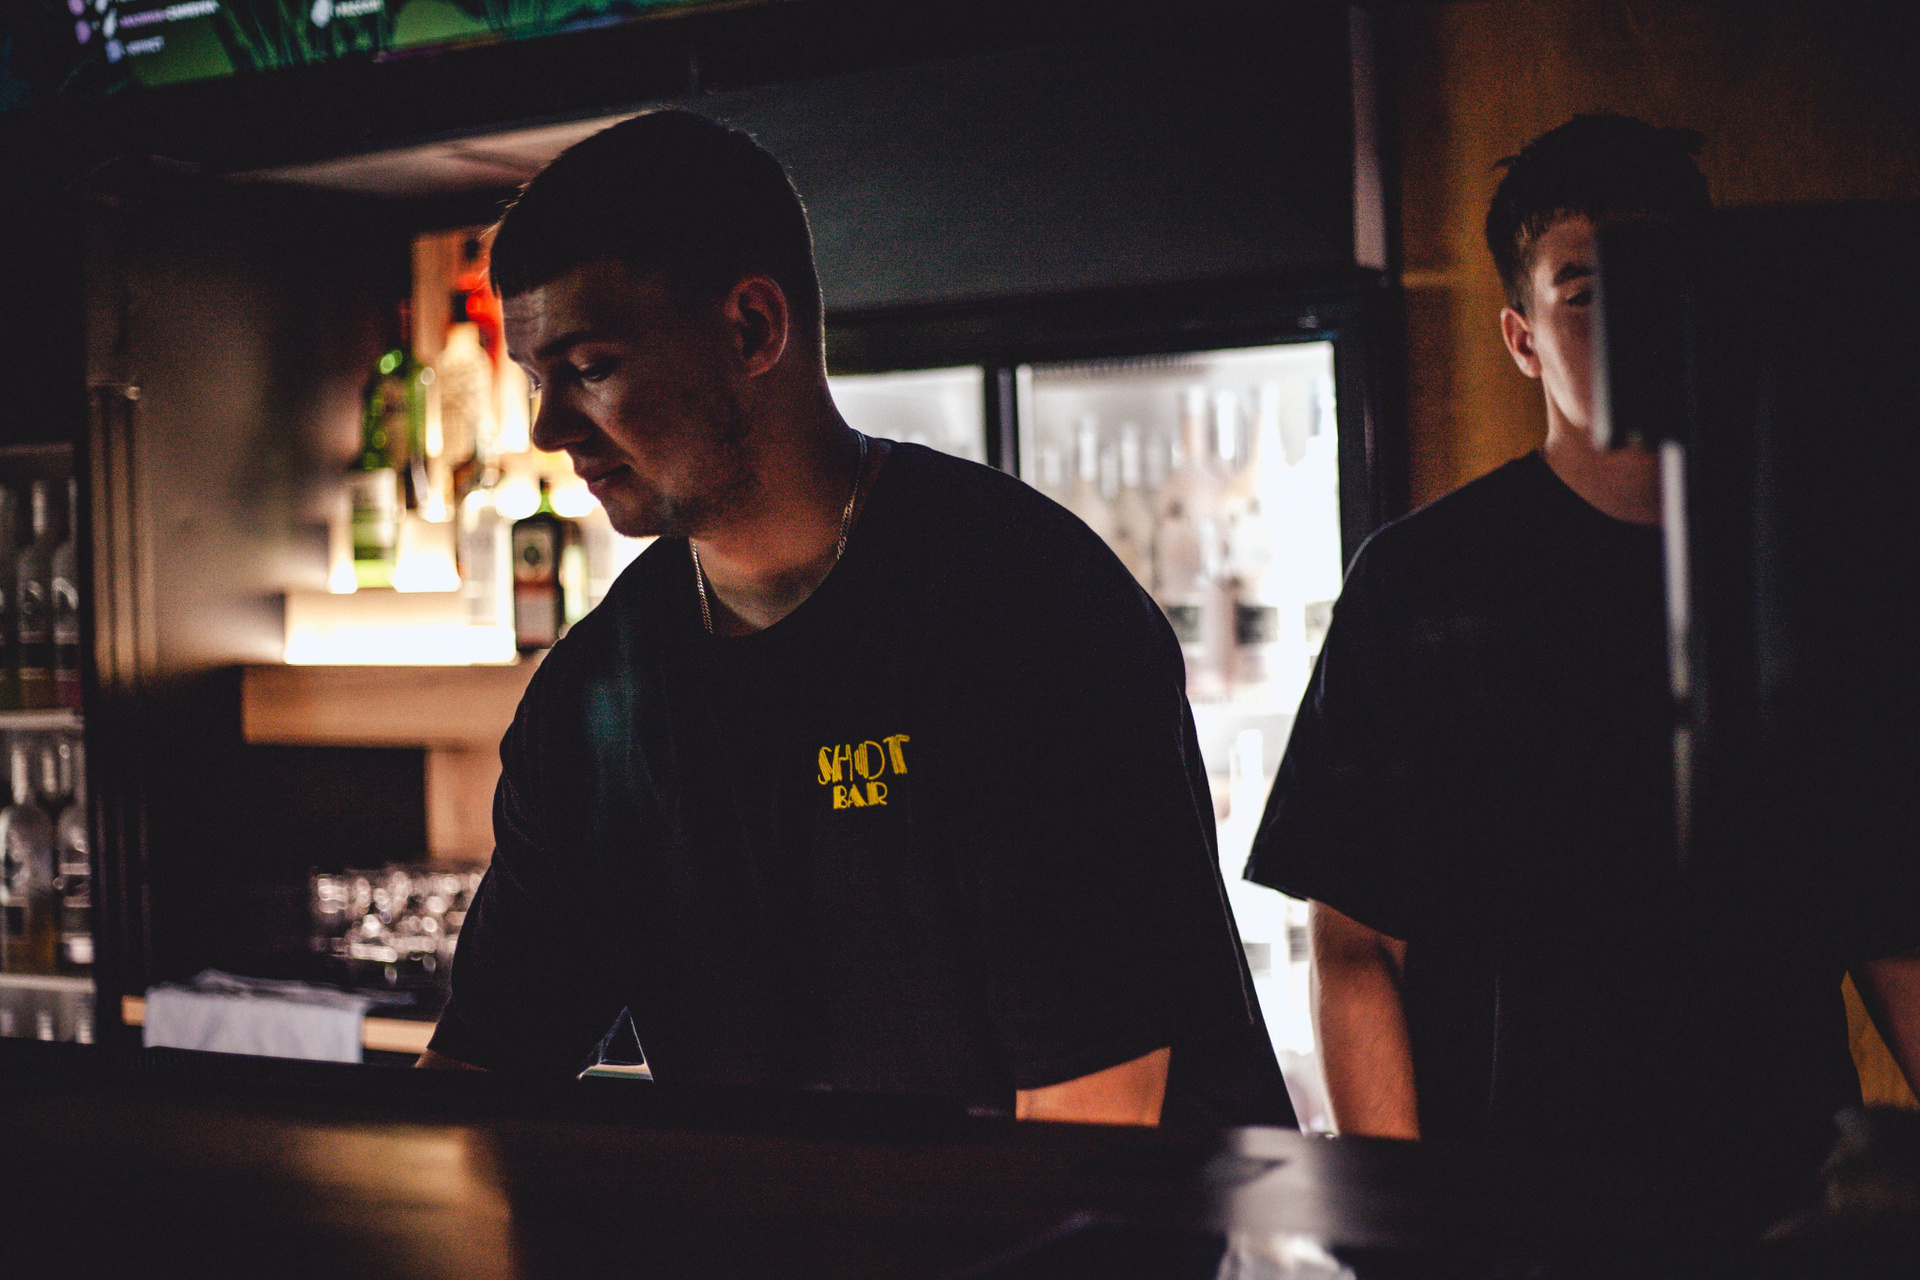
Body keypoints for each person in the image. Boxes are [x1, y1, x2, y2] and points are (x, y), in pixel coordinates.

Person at [416, 110, 1293, 1129]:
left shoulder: (1024, 614)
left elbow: (1093, 1115)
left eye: (592, 367)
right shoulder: (592, 697)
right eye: (537, 379)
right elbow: (480, 1069)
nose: (548, 427)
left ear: (753, 328)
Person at [1245, 114, 1920, 1159]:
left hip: (1777, 1184)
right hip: (1508, 1190)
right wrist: (1399, 1206)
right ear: (1523, 338)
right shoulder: (1423, 580)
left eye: (1662, 286)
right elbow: (1356, 944)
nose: (1633, 324)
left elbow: (1887, 911)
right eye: (1589, 294)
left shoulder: (1805, 569)